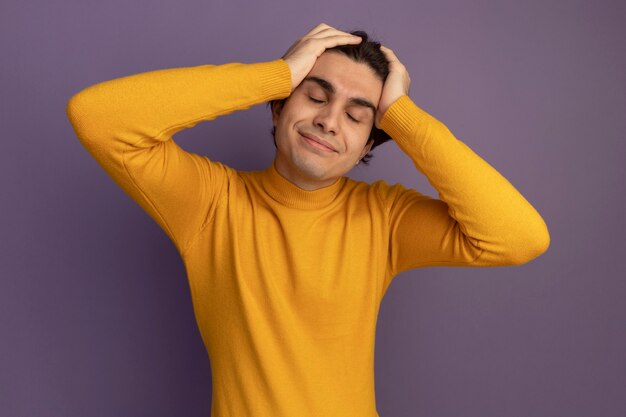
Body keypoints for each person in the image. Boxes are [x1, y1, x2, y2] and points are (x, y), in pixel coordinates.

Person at [66, 23, 550, 417]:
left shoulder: (384, 217)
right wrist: (276, 74)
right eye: (316, 96)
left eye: (358, 116)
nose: (329, 121)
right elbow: (97, 118)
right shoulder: (211, 203)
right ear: (279, 108)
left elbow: (519, 237)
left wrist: (402, 115)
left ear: (368, 145)